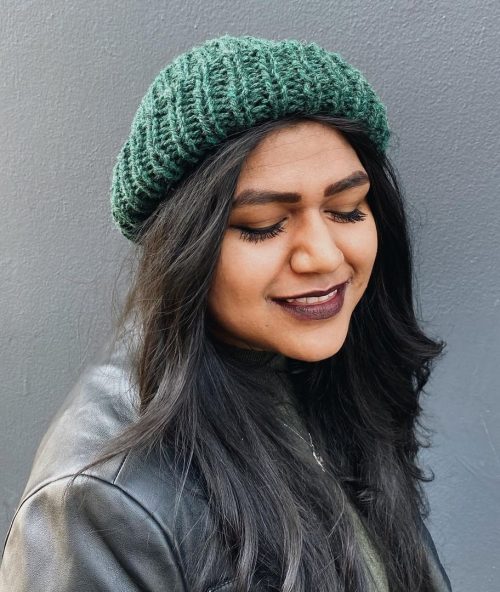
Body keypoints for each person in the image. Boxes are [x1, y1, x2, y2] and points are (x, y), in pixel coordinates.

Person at [0, 35, 452, 591]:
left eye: (346, 210)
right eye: (263, 224)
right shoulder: (99, 501)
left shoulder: (324, 376)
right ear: (183, 246)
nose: (325, 256)